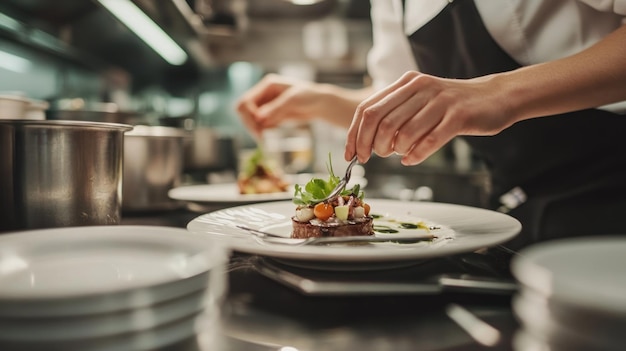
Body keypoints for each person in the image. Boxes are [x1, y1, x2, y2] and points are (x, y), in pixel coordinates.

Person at [236, 0, 626, 249]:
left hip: (611, 194)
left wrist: (502, 93)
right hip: (519, 212)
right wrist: (320, 100)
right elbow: (396, 99)